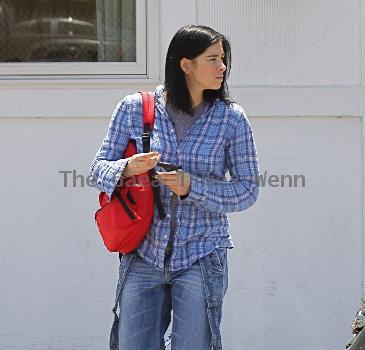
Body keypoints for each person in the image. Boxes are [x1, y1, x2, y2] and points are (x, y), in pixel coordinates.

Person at [90, 24, 259, 350]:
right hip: (142, 255)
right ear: (186, 64)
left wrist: (191, 187)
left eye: (223, 59)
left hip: (202, 254)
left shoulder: (231, 118)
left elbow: (247, 190)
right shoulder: (134, 109)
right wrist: (128, 167)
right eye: (213, 59)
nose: (222, 67)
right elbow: (98, 170)